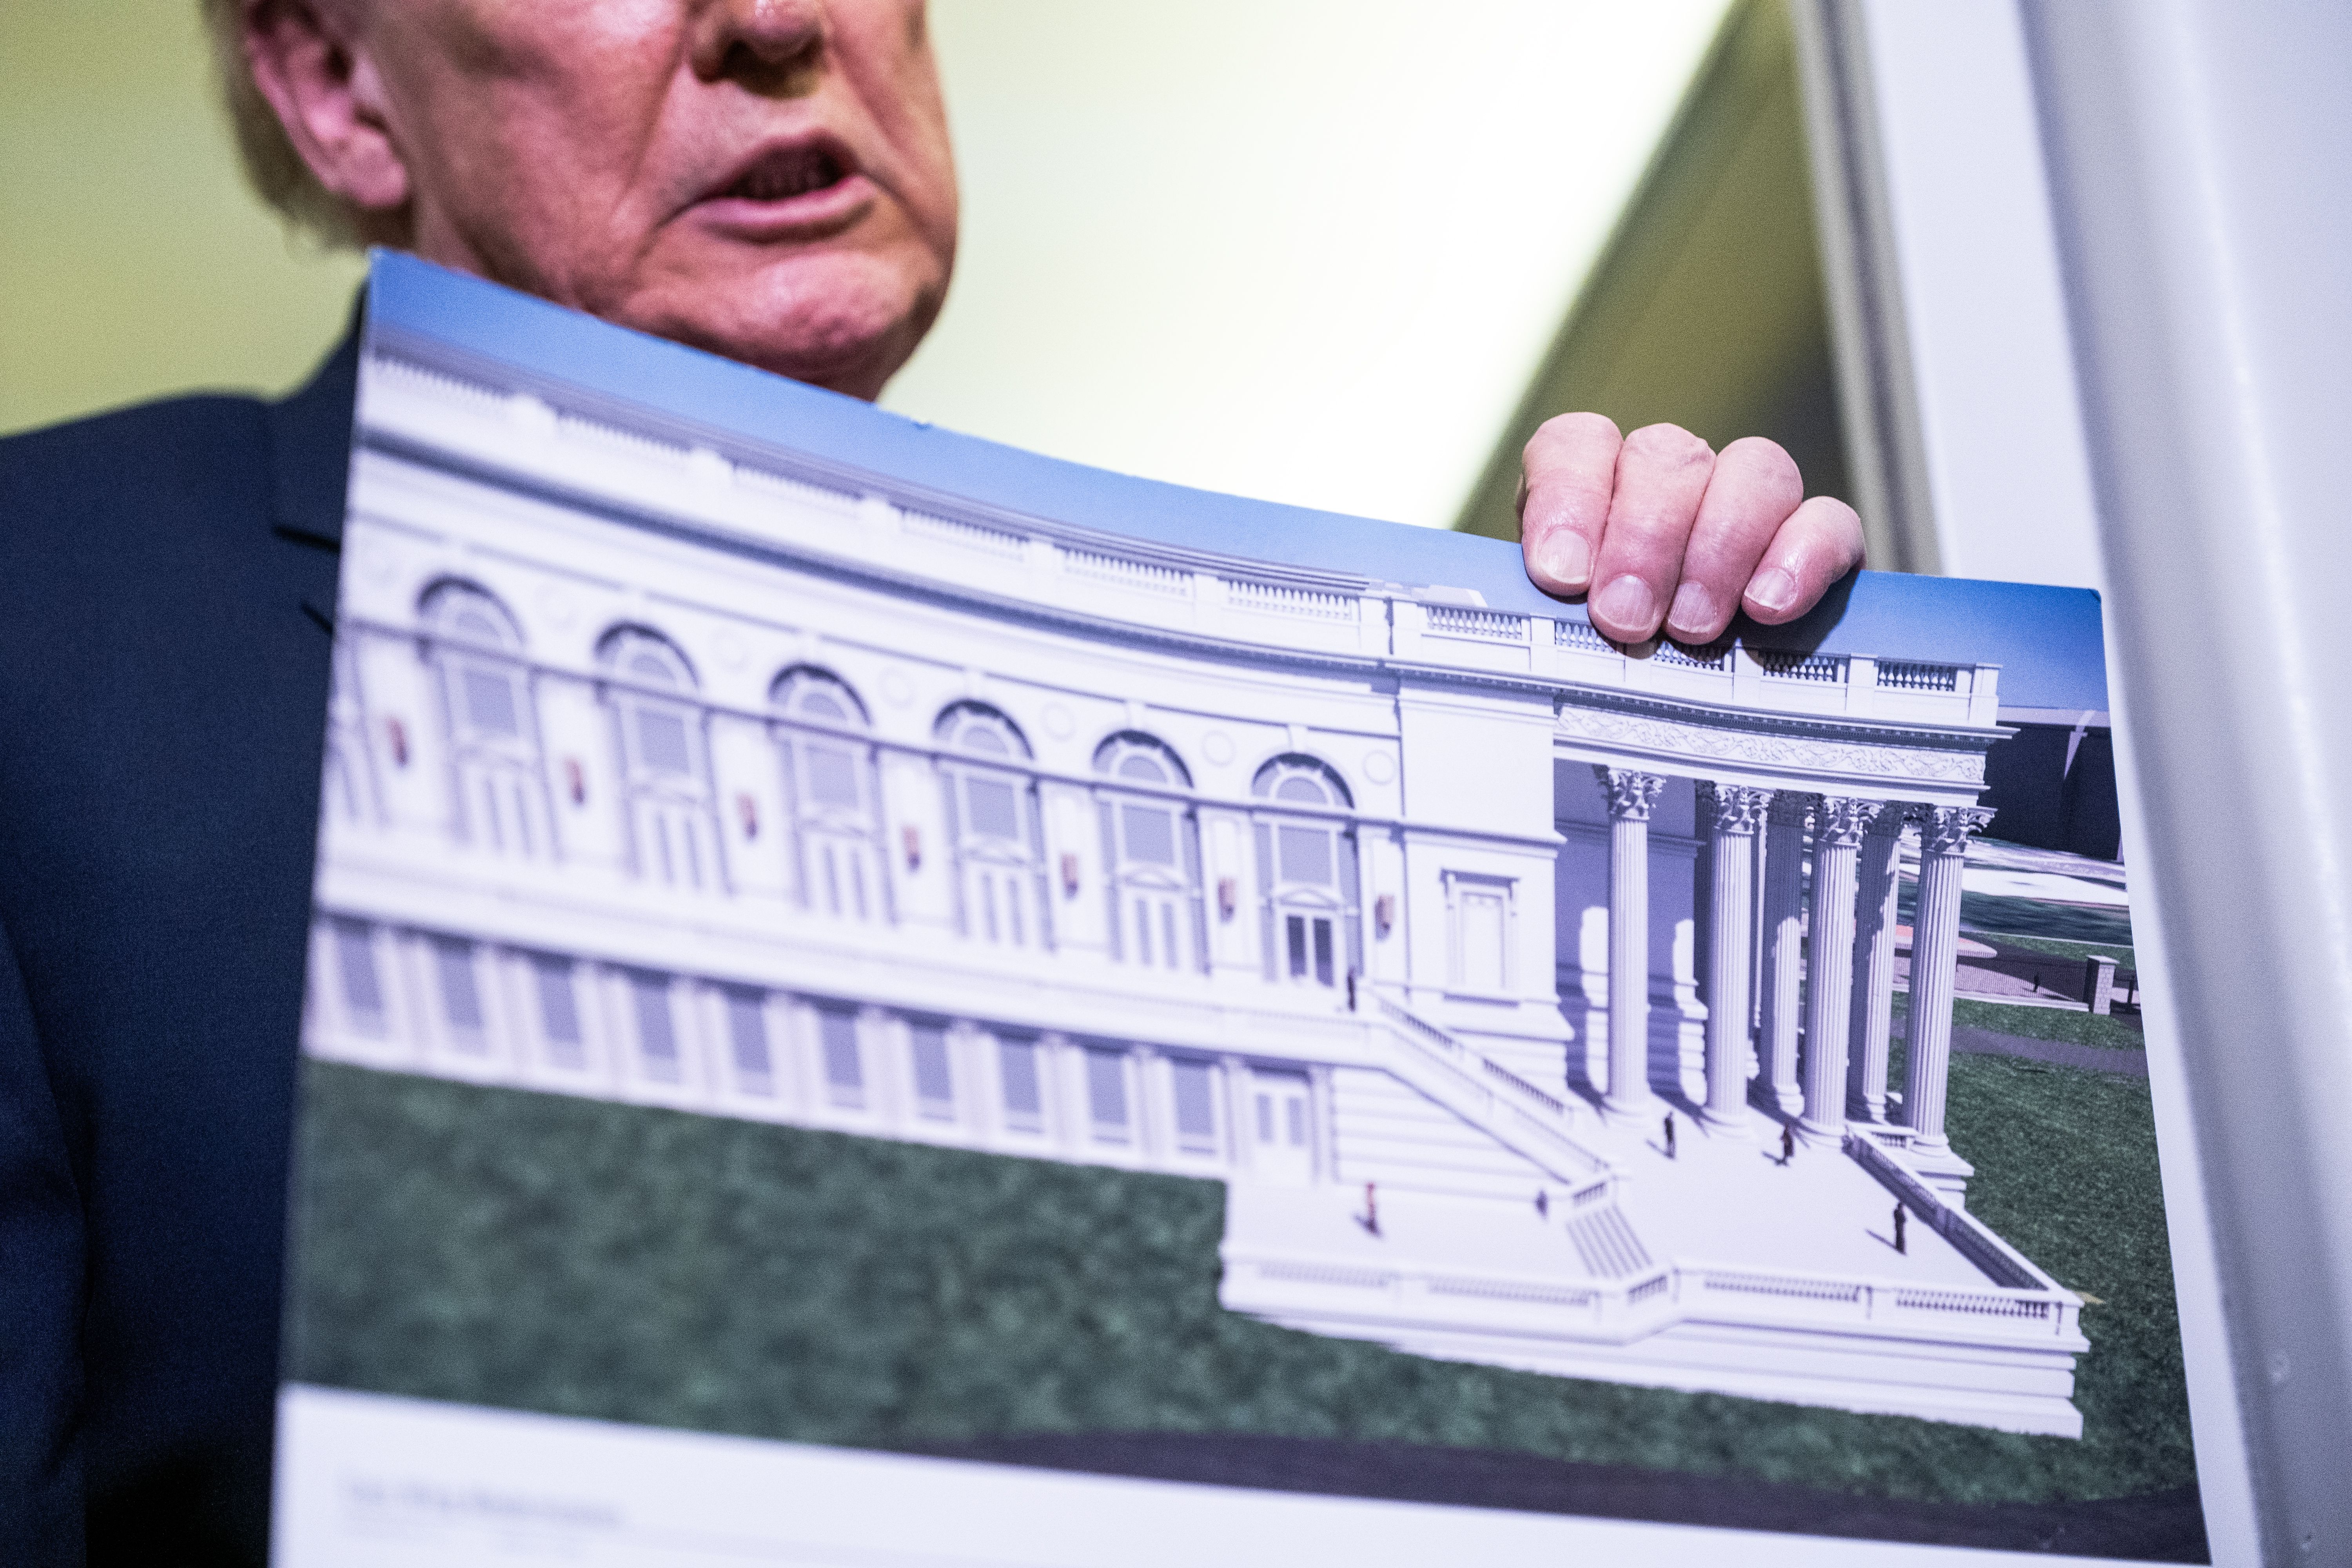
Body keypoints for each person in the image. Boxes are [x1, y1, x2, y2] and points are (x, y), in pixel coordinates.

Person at [0, 2, 1865, 1561]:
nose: (775, 21)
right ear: (336, 84)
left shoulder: (1217, 715)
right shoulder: (49, 619)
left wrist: (1655, 673)